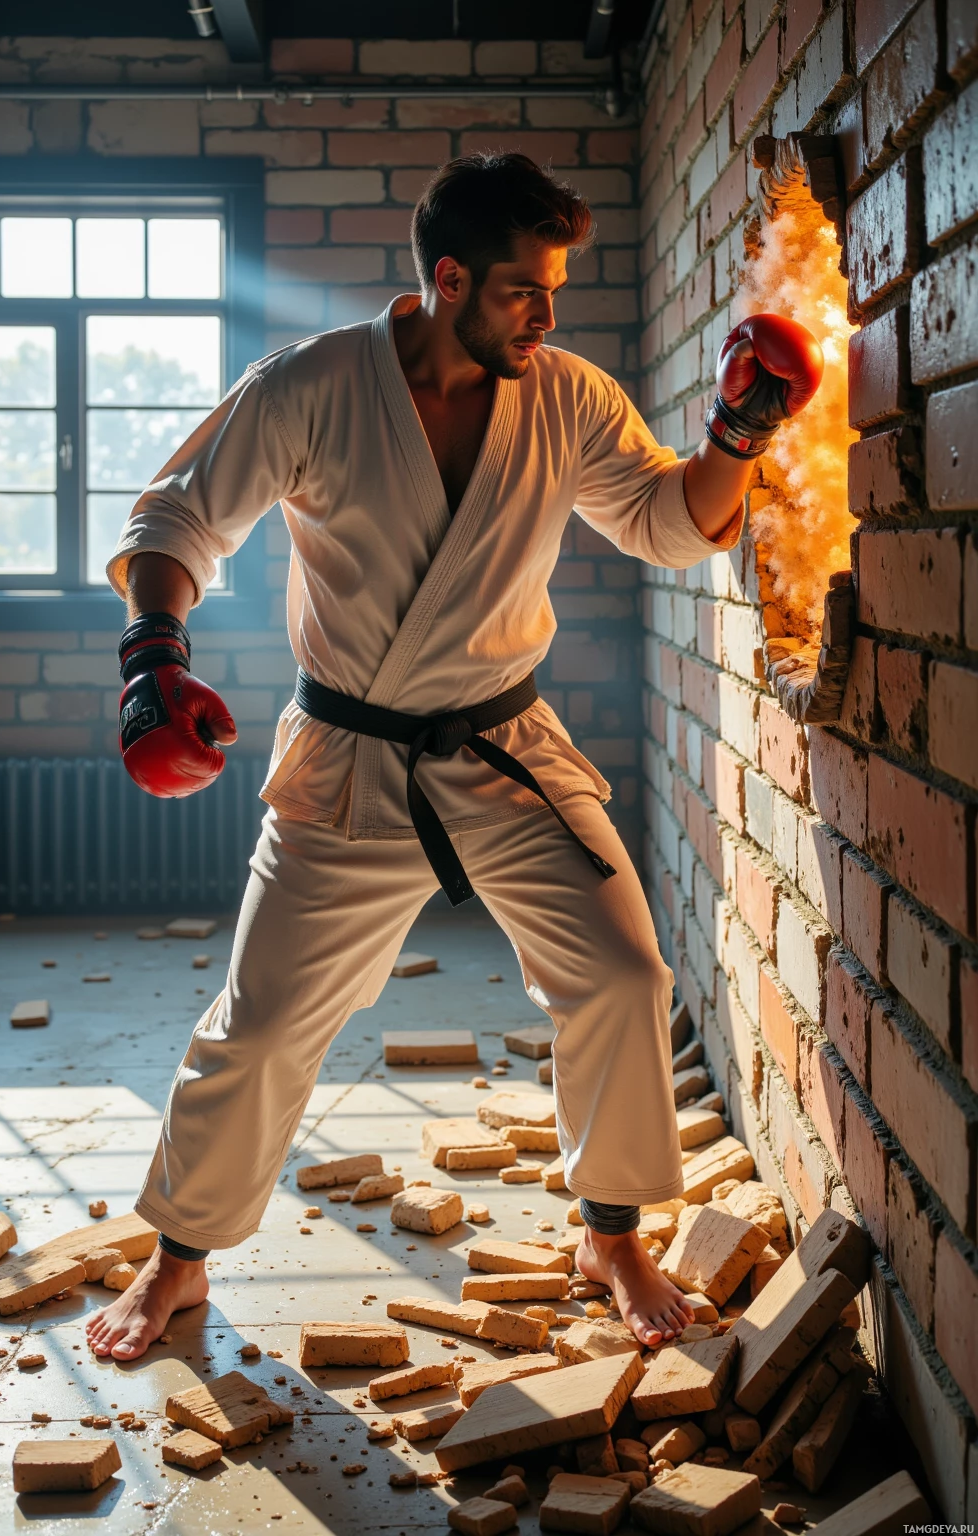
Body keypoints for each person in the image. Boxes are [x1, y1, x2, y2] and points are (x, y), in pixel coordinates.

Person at [86, 152, 823, 1363]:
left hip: (505, 743)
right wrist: (152, 652)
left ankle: (611, 1230)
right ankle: (179, 1259)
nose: (547, 314)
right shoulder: (311, 386)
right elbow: (177, 517)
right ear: (446, 279)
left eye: (556, 292)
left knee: (624, 975)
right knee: (262, 1024)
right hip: (348, 758)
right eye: (525, 291)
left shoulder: (568, 396)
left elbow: (662, 521)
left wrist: (737, 432)